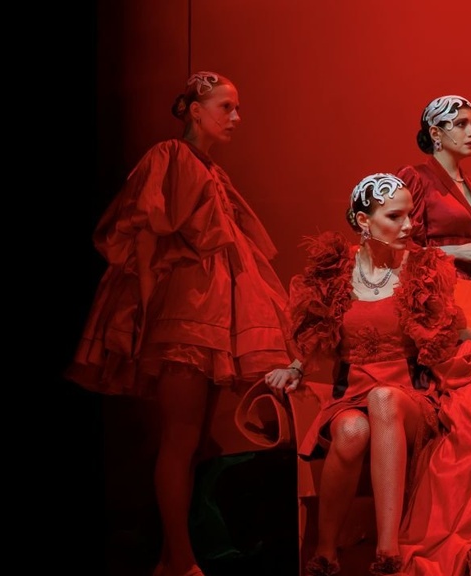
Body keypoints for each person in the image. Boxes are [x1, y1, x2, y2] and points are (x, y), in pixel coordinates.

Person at [265, 173, 471, 576]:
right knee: (351, 430)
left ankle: (388, 553)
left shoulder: (420, 270)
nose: (408, 226)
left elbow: (452, 333)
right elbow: (316, 333)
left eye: (410, 216)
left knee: (384, 398)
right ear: (363, 221)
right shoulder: (336, 271)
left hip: (410, 398)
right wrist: (295, 367)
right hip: (350, 395)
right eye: (395, 217)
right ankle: (326, 551)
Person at [65, 71, 293, 576]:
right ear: (195, 109)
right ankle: (179, 560)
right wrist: (146, 316)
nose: (236, 118)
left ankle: (176, 556)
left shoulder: (211, 170)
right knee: (181, 437)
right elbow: (147, 236)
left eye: (237, 108)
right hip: (183, 318)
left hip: (209, 316)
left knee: (194, 441)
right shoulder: (169, 156)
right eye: (226, 107)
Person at [396, 95, 471, 280]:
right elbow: (401, 250)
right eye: (461, 124)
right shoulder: (416, 178)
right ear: (435, 133)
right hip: (434, 286)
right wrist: (456, 252)